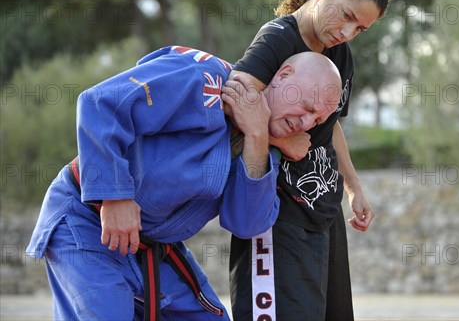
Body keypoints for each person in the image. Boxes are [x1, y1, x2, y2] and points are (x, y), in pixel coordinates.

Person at [26, 45, 342, 320]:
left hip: (151, 246)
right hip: (87, 218)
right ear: (284, 75)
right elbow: (100, 103)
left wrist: (259, 135)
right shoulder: (202, 76)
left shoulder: (264, 149)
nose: (305, 123)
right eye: (308, 108)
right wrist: (114, 197)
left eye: (316, 121)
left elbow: (246, 223)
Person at [228, 0, 392, 321]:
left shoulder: (341, 55)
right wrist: (282, 143)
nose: (348, 33)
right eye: (348, 17)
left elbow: (330, 125)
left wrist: (353, 187)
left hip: (323, 213)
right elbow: (232, 104)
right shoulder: (278, 39)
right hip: (276, 215)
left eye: (360, 29)